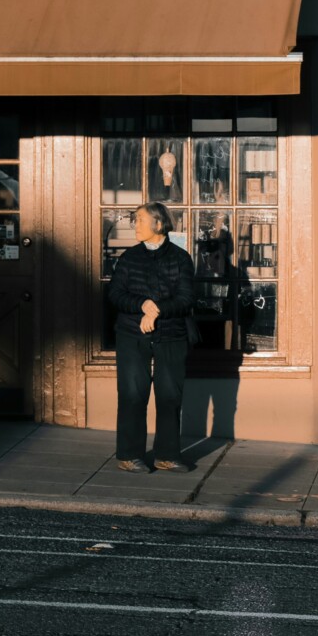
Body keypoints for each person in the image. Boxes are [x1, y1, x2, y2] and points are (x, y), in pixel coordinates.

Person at [108, 202, 195, 473]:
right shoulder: (129, 257)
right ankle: (128, 455)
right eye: (135, 220)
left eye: (141, 221)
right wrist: (142, 304)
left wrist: (155, 310)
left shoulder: (180, 258)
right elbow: (115, 295)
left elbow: (186, 298)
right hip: (132, 334)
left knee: (170, 396)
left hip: (171, 335)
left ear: (158, 224)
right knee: (133, 394)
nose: (135, 225)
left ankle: (167, 456)